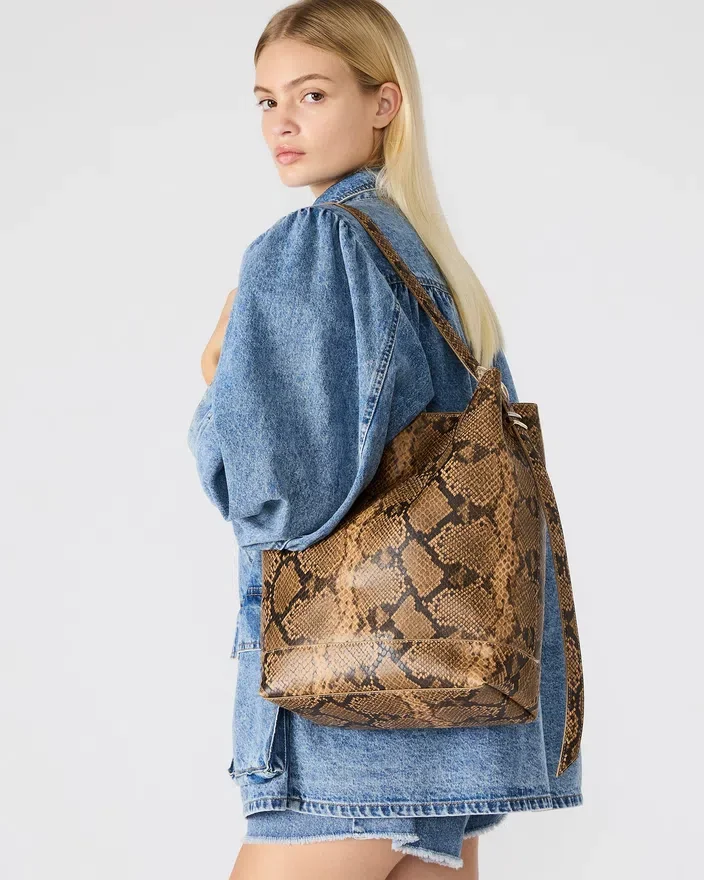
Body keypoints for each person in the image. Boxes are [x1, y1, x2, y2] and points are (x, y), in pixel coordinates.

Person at [187, 2, 583, 877]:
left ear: (383, 102)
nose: (281, 123)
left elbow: (280, 497)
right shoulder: (431, 260)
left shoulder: (316, 243)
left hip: (349, 709)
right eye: (265, 101)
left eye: (312, 94)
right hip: (452, 697)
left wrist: (219, 384)